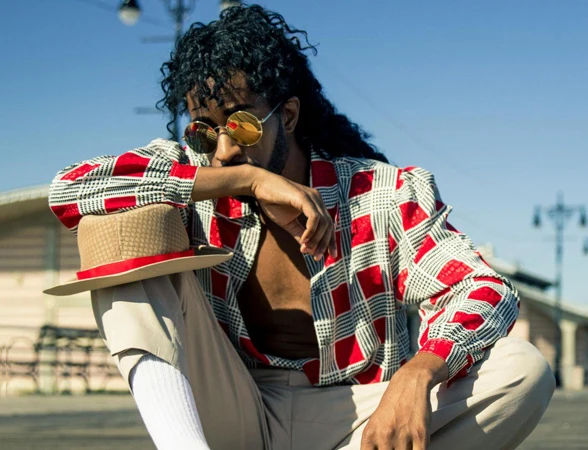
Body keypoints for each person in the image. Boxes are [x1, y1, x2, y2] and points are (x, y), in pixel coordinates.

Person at [47, 6, 554, 450]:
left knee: (523, 371)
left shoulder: (380, 194)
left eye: (241, 124)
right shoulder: (196, 172)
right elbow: (68, 188)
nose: (222, 147)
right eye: (204, 129)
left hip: (356, 414)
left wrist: (418, 374)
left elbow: (481, 287)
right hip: (237, 410)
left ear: (287, 115)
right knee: (126, 236)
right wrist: (245, 177)